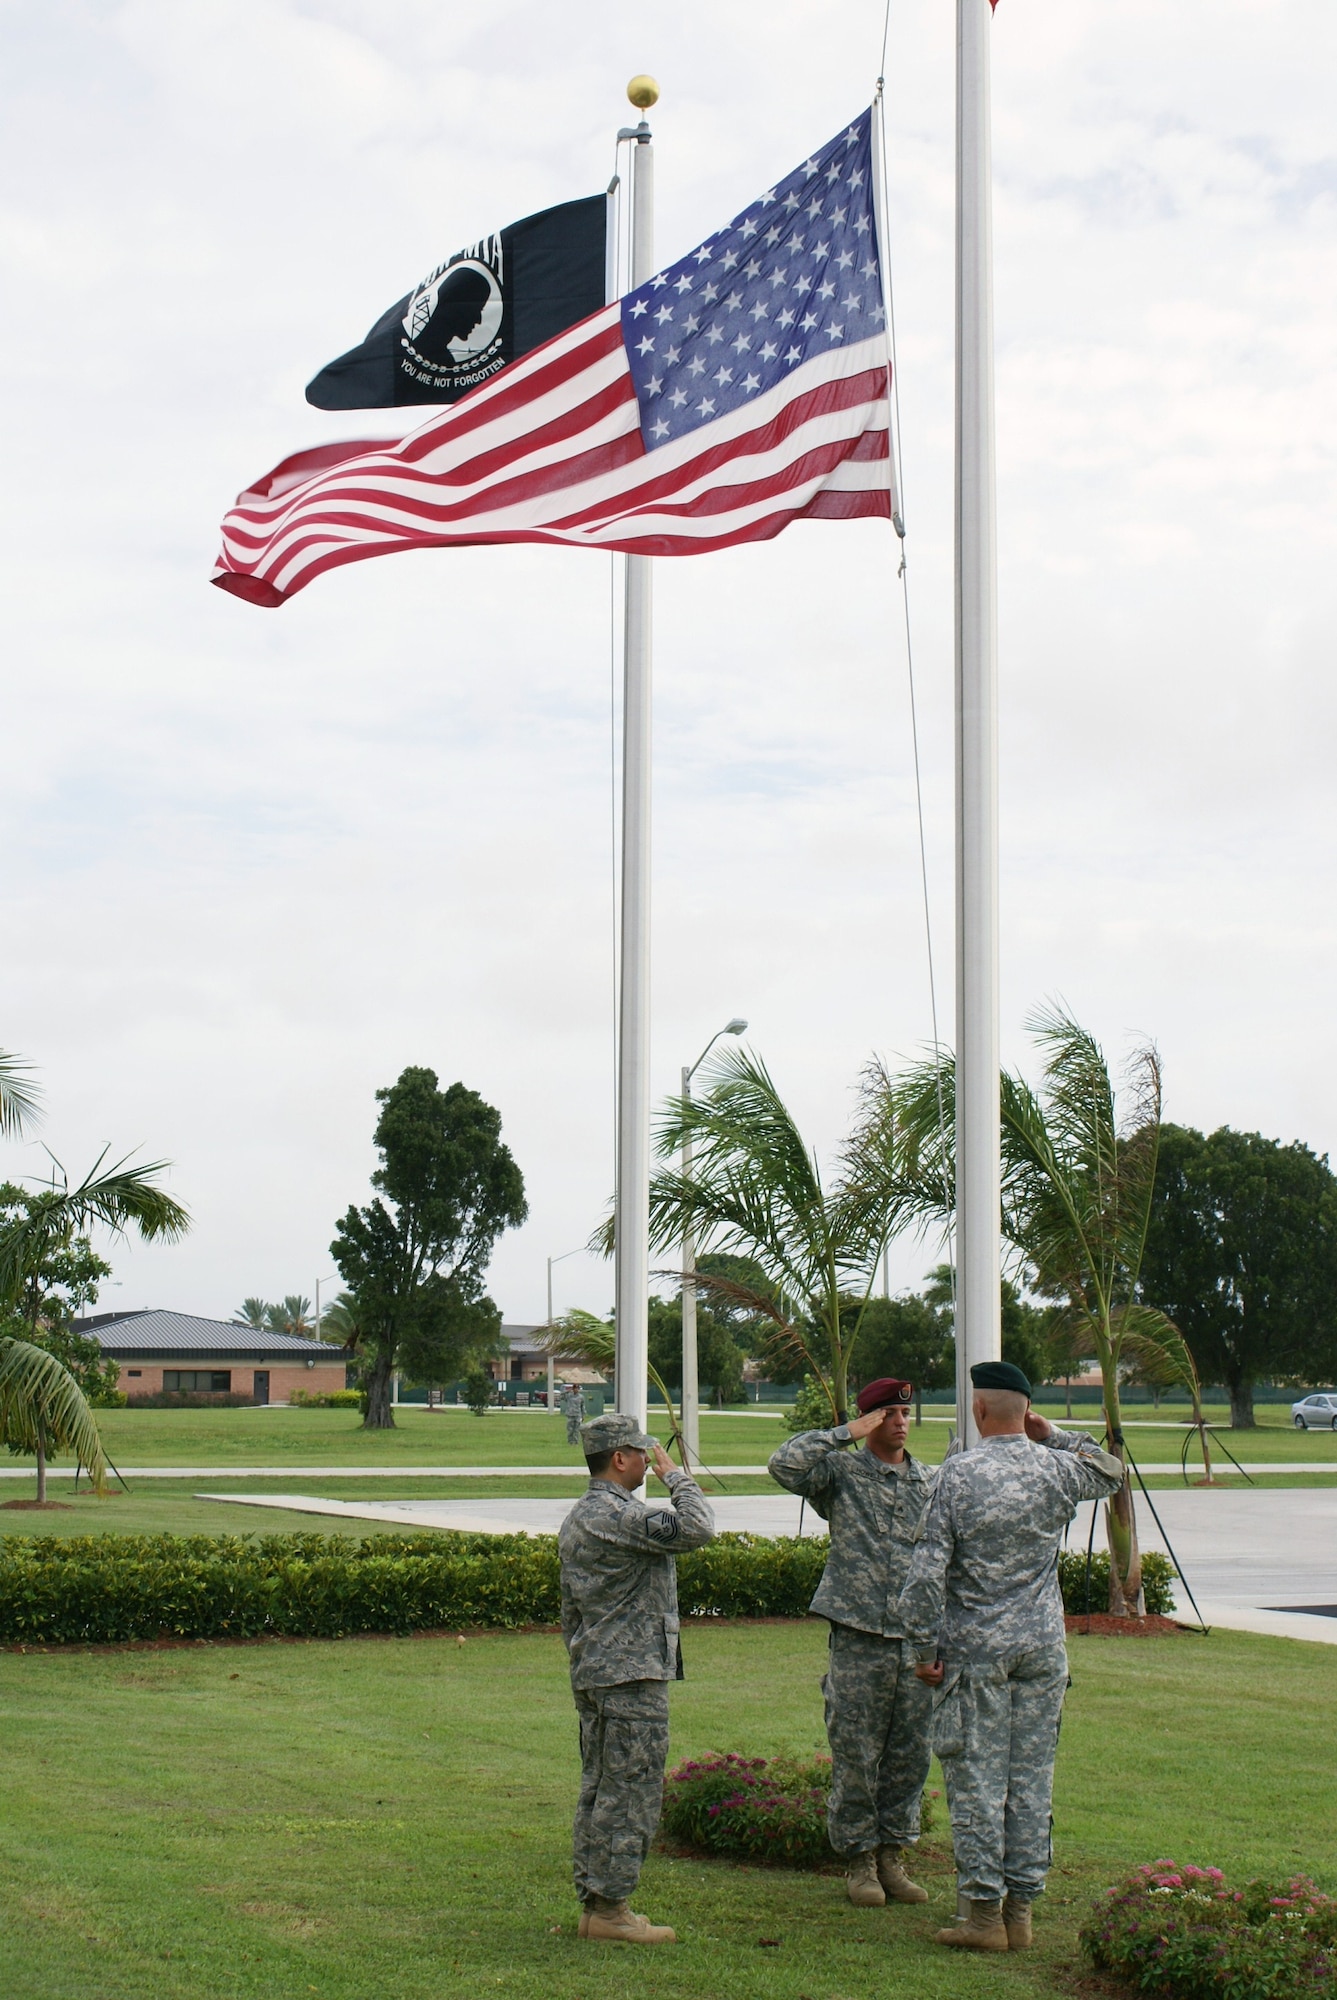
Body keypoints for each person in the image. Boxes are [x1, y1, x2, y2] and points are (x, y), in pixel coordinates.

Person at [896, 1360, 1124, 1954]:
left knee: (976, 1779)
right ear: (1026, 1411)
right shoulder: (1057, 1469)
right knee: (1030, 1781)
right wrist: (1056, 1436)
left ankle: (982, 1917)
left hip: (974, 1653)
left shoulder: (957, 1476)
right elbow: (1112, 1471)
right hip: (1042, 1648)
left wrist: (924, 1650)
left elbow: (924, 1577)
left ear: (977, 1411)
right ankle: (1021, 1912)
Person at [768, 1378, 936, 1909]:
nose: (901, 1422)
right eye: (889, 1413)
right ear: (869, 1421)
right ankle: (859, 1859)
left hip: (914, 1638)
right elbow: (783, 1466)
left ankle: (892, 1855)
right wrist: (842, 1433)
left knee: (910, 1755)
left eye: (906, 1413)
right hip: (859, 1633)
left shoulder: (929, 1481)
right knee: (856, 1753)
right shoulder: (840, 1473)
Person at [558, 1411, 715, 1944]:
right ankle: (612, 1910)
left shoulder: (583, 1515)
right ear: (619, 1458)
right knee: (631, 1790)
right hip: (630, 1674)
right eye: (642, 1452)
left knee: (601, 1787)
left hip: (599, 1670)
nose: (650, 1460)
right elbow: (697, 1529)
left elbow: (570, 1613)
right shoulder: (618, 1516)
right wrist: (679, 1478)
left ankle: (597, 1902)